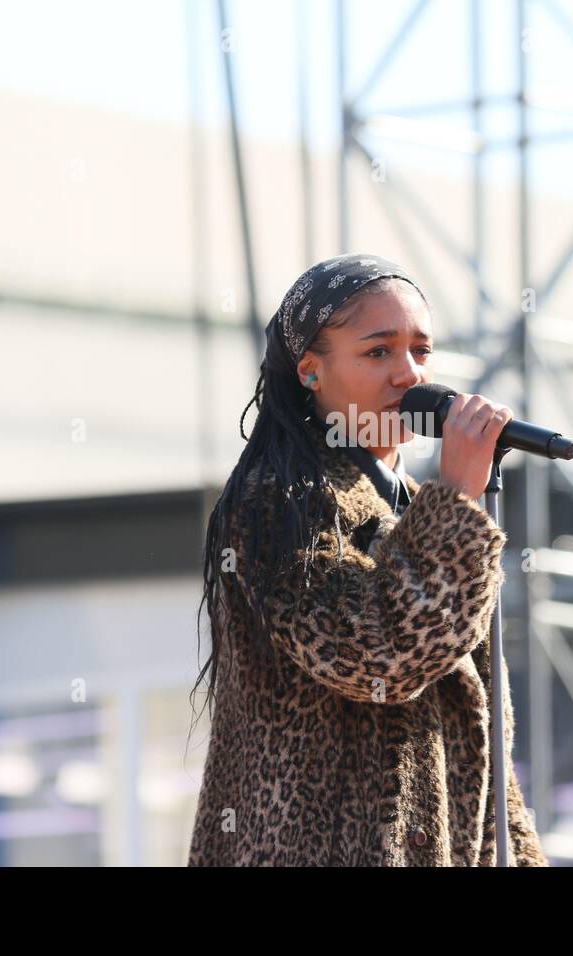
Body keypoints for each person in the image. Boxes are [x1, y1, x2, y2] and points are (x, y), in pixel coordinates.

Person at [186, 252, 549, 866]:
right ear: (310, 372)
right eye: (378, 352)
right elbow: (380, 654)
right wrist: (458, 500)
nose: (409, 374)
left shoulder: (421, 516)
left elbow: (490, 770)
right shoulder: (274, 505)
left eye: (421, 351)